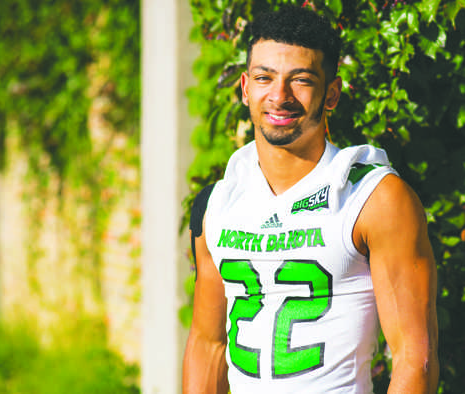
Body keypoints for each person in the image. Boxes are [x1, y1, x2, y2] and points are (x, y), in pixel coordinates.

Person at [182, 5, 438, 394]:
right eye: (264, 77)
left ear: (331, 93)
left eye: (300, 80)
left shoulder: (373, 197)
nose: (279, 96)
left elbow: (414, 357)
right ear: (246, 88)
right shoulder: (218, 201)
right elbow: (208, 343)